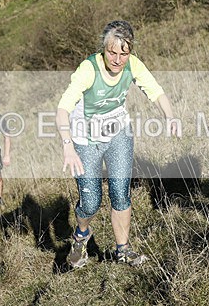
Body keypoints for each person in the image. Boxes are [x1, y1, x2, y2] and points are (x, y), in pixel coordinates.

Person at [56, 20, 178, 268]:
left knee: (121, 194)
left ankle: (123, 250)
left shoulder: (133, 65)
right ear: (104, 49)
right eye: (112, 52)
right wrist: (68, 146)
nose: (118, 60)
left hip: (118, 134)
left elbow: (155, 91)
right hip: (85, 140)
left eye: (124, 53)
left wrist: (170, 116)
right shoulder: (88, 70)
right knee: (91, 203)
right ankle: (81, 235)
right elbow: (62, 109)